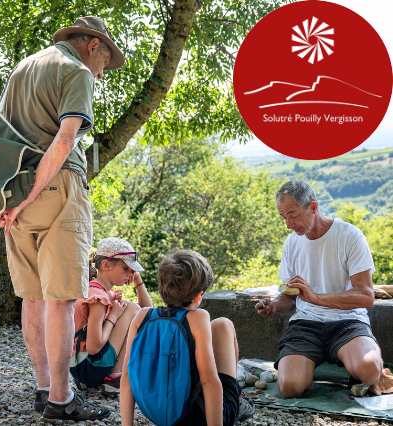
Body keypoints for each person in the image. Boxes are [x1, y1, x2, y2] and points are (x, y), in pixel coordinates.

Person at [0, 16, 124, 421]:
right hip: (57, 188)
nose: (102, 72)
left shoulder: (23, 68)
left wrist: (9, 199)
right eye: (106, 62)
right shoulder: (77, 72)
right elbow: (66, 139)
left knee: (32, 298)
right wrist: (32, 195)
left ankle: (44, 388)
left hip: (13, 195)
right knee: (62, 299)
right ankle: (62, 401)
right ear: (93, 46)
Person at [255, 180, 381, 398]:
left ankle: (356, 365)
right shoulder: (291, 244)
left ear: (313, 207)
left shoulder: (349, 235)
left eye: (293, 215)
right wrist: (274, 306)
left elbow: (365, 296)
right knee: (290, 388)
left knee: (370, 372)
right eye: (283, 217)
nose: (288, 224)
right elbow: (291, 298)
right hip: (306, 325)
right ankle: (310, 365)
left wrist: (317, 298)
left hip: (348, 322)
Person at [120, 250, 254, 426]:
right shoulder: (198, 318)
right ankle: (235, 400)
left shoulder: (142, 317)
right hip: (196, 416)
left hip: (159, 414)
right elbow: (209, 382)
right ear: (199, 295)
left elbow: (126, 378)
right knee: (223, 325)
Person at [70, 238, 151, 397]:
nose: (130, 274)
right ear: (106, 265)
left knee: (129, 308)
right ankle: (115, 378)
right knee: (132, 308)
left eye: (132, 270)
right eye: (126, 268)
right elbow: (94, 347)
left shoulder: (92, 290)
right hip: (88, 367)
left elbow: (148, 310)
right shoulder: (99, 299)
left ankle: (93, 380)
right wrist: (113, 316)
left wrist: (137, 280)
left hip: (77, 366)